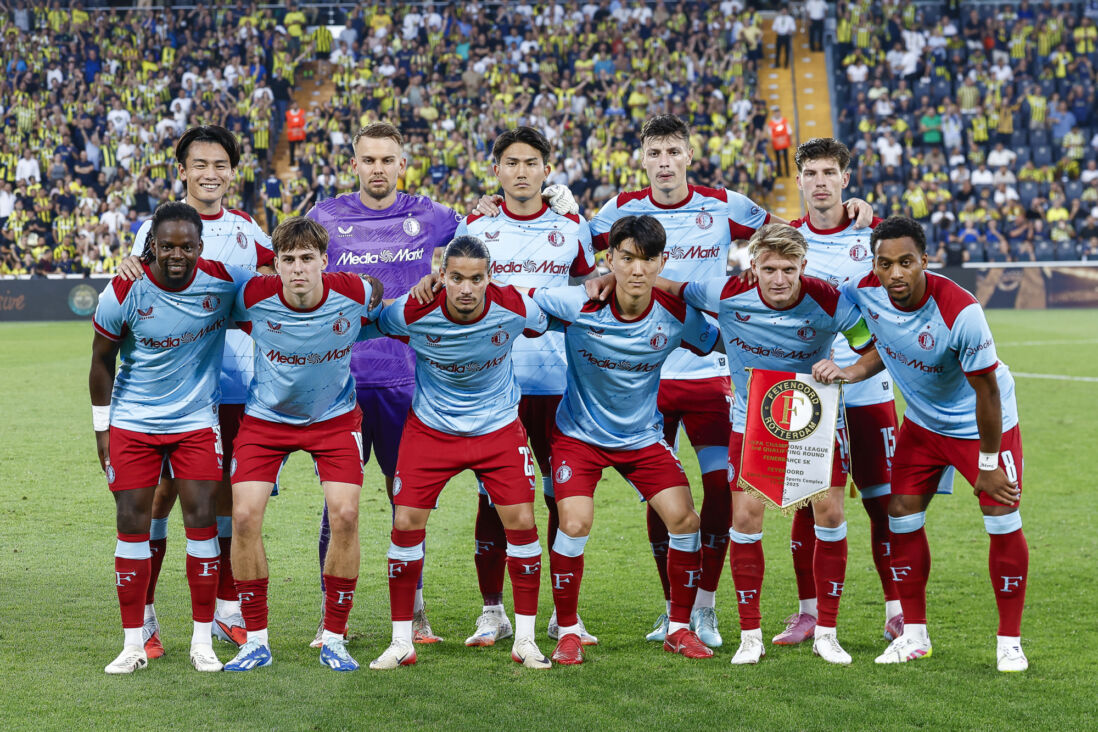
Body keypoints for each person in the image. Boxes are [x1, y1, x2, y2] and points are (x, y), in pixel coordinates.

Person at [589, 115, 871, 647]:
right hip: (646, 374)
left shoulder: (727, 202)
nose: (666, 161)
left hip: (715, 373)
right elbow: (580, 247)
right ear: (643, 158)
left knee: (723, 489)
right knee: (660, 492)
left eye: (675, 151)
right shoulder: (620, 207)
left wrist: (748, 265)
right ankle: (671, 607)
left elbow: (782, 238)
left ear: (689, 154)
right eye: (656, 153)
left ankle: (707, 605)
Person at [307, 122, 577, 646]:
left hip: (407, 381)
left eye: (388, 160)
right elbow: (295, 266)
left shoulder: (431, 215)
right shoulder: (326, 216)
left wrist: (546, 202)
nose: (378, 169)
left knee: (406, 503)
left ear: (402, 164)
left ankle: (415, 615)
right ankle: (327, 615)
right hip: (340, 380)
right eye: (369, 160)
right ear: (355, 163)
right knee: (338, 504)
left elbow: (486, 230)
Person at [644, 223, 874, 665]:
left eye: (789, 268)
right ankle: (751, 636)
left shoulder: (829, 299)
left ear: (804, 266)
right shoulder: (728, 292)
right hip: (752, 422)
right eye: (769, 268)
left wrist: (848, 372)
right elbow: (670, 287)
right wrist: (612, 278)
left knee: (829, 513)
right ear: (753, 266)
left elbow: (872, 347)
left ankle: (827, 631)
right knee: (746, 520)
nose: (779, 278)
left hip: (815, 418)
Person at [813, 216, 1029, 673]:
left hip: (981, 425)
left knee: (1000, 517)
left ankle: (1009, 642)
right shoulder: (862, 291)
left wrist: (988, 463)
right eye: (885, 263)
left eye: (906, 262)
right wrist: (848, 372)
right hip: (923, 427)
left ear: (924, 261)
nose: (895, 274)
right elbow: (882, 347)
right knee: (901, 516)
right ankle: (914, 635)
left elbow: (987, 391)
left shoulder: (960, 310)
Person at [531, 215, 722, 665]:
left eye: (648, 260)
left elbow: (721, 343)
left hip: (641, 438)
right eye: (627, 258)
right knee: (574, 523)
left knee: (686, 521)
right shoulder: (578, 304)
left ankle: (679, 627)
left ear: (662, 263)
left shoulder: (678, 315)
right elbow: (527, 303)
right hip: (579, 436)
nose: (637, 270)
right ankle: (568, 629)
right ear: (610, 259)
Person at [119, 125, 274, 656]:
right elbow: (134, 296)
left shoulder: (250, 230)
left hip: (236, 384)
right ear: (181, 169)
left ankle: (228, 607)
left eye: (220, 166)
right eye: (199, 165)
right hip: (173, 393)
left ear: (233, 172)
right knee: (162, 495)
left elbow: (272, 289)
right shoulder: (153, 228)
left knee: (225, 495)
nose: (210, 174)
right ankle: (143, 610)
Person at [367, 236, 553, 671]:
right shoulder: (412, 310)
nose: (466, 288)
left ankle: (524, 639)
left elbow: (550, 319)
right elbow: (368, 320)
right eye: (456, 278)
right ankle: (401, 641)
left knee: (522, 522)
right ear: (440, 276)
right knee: (405, 522)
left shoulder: (514, 307)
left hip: (497, 427)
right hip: (431, 429)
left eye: (476, 278)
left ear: (490, 277)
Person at [442, 127, 597, 648]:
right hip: (495, 385)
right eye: (512, 163)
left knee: (560, 497)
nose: (522, 171)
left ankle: (561, 613)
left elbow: (591, 292)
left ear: (546, 168)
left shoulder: (572, 227)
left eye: (532, 162)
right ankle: (493, 612)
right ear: (497, 169)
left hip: (559, 385)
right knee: (494, 498)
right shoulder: (476, 226)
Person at [90, 202, 253, 674]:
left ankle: (202, 642)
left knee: (202, 521)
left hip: (195, 424)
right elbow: (101, 361)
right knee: (131, 523)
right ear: (151, 248)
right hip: (134, 423)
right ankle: (132, 643)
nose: (176, 255)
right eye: (167, 247)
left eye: (186, 247)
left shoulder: (225, 280)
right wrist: (103, 430)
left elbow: (275, 289)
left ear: (201, 247)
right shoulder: (124, 288)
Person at [222, 217, 382, 673]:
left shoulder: (353, 292)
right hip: (267, 420)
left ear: (323, 262)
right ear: (275, 265)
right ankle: (255, 640)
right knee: (245, 517)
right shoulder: (253, 296)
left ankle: (334, 636)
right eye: (287, 260)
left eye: (306, 259)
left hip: (333, 419)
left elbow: (383, 304)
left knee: (346, 515)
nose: (297, 269)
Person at [779, 138, 903, 647]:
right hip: (810, 395)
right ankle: (808, 613)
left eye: (830, 172)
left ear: (846, 180)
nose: (821, 182)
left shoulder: (874, 236)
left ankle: (898, 611)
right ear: (801, 181)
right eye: (811, 173)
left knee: (886, 505)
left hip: (871, 388)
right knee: (810, 504)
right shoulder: (784, 243)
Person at [769, 108, 793, 178]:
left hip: (784, 142)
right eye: (776, 113)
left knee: (786, 158)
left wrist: (790, 140)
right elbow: (770, 134)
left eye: (778, 112)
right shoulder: (771, 123)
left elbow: (789, 131)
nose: (777, 114)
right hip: (776, 144)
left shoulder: (784, 121)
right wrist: (771, 143)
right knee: (778, 158)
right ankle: (779, 172)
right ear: (774, 113)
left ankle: (787, 172)